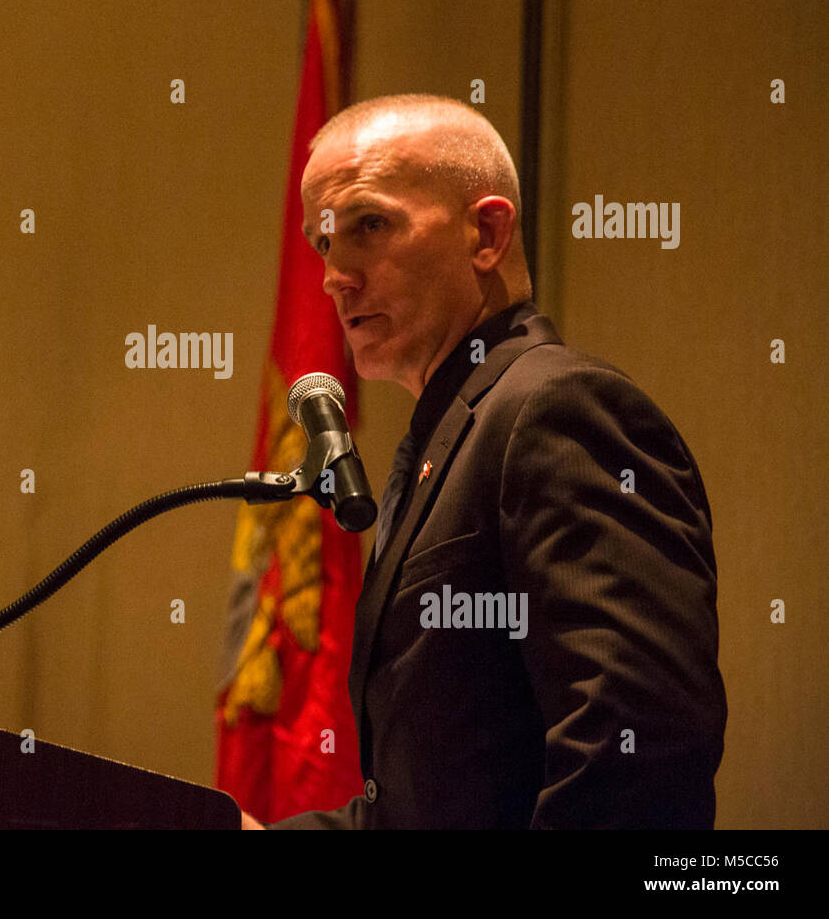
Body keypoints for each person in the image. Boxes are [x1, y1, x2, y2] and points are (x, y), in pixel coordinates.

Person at [243, 94, 726, 829]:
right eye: (322, 242)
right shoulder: (443, 445)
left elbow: (637, 758)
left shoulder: (556, 411)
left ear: (487, 232)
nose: (334, 274)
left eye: (369, 225)